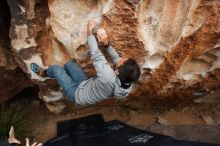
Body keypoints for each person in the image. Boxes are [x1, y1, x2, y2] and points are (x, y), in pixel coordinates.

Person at [31, 20, 140, 106]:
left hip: (76, 95)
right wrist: (106, 44)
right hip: (85, 84)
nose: (121, 58)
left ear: (116, 72)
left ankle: (42, 73)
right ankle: (63, 80)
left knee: (56, 69)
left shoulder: (108, 76)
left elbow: (96, 53)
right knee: (69, 64)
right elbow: (117, 60)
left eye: (122, 61)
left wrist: (89, 31)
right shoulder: (127, 84)